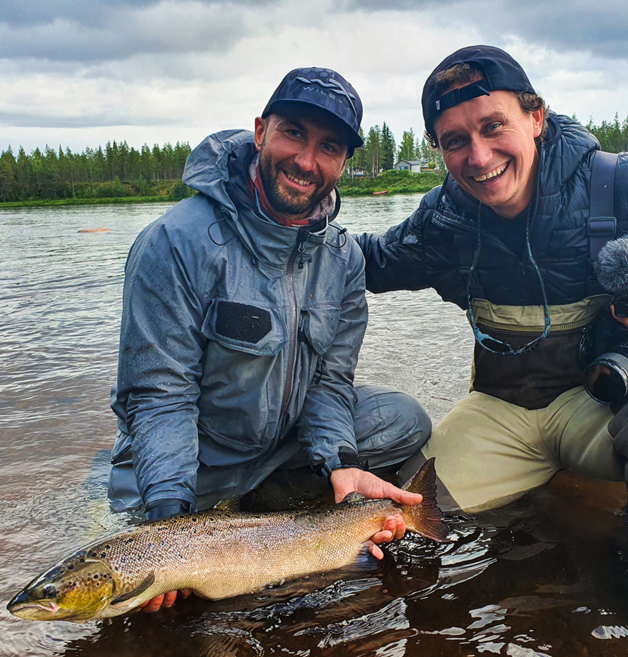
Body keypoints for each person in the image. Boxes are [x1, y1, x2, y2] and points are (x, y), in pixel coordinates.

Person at [109, 67, 431, 611]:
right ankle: (175, 496)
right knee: (142, 552)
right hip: (203, 457)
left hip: (278, 444)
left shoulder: (343, 258)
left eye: (328, 146)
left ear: (344, 163)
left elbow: (330, 383)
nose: (307, 161)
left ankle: (281, 495)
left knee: (406, 418)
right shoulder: (175, 242)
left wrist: (339, 463)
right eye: (294, 134)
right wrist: (170, 525)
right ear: (260, 132)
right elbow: (159, 395)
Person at [357, 46, 628, 534]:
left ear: (536, 117)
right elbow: (362, 262)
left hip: (605, 408)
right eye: (455, 140)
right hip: (501, 412)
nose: (479, 158)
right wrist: (281, 219)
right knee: (406, 520)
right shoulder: (442, 220)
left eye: (493, 126)